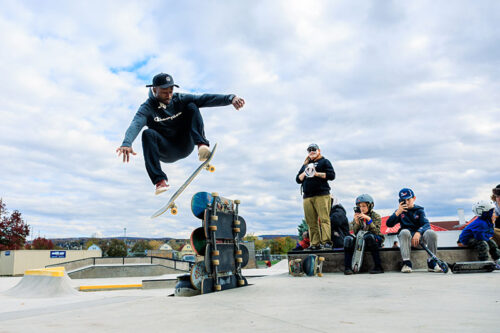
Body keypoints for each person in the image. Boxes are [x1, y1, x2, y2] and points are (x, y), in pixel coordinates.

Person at [116, 73, 245, 195]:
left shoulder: (180, 99)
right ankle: (160, 182)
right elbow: (136, 124)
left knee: (192, 106)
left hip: (185, 144)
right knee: (147, 134)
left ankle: (201, 145)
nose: (169, 96)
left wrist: (231, 98)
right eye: (164, 93)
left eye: (171, 92)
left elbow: (205, 98)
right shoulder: (147, 108)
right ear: (154, 90)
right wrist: (127, 143)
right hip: (166, 150)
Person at [386, 188, 441, 273]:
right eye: (404, 200)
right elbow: (389, 224)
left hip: (419, 241)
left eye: (408, 199)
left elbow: (426, 224)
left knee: (431, 233)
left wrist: (418, 232)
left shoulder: (419, 210)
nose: (407, 202)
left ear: (414, 198)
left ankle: (432, 262)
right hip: (407, 241)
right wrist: (397, 212)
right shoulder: (400, 211)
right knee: (404, 231)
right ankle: (406, 263)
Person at [296, 144, 335, 250]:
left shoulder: (324, 161)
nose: (311, 152)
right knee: (311, 221)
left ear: (319, 151)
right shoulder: (305, 164)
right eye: (309, 150)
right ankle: (314, 243)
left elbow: (332, 176)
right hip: (307, 196)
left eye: (314, 150)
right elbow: (298, 179)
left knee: (324, 219)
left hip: (321, 195)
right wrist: (305, 172)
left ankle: (326, 242)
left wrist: (316, 174)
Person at [343, 194, 384, 274]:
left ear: (370, 206)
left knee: (369, 237)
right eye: (360, 206)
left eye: (364, 206)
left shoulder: (376, 216)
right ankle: (347, 267)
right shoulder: (357, 216)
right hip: (360, 240)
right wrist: (357, 222)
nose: (362, 208)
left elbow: (376, 231)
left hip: (374, 239)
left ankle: (378, 267)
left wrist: (369, 219)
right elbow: (355, 232)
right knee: (348, 239)